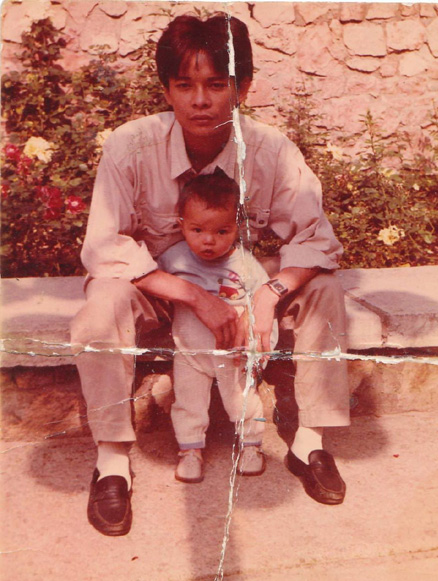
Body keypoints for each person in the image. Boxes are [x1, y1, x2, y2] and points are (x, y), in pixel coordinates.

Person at [71, 12, 349, 538]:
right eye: (185, 85)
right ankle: (112, 462)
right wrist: (193, 297)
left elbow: (316, 238)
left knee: (324, 288)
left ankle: (309, 441)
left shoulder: (270, 151)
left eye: (217, 85)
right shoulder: (129, 146)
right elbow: (104, 245)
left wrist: (268, 294)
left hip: (237, 280)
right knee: (100, 305)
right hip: (157, 285)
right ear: (166, 90)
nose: (200, 101)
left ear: (243, 88)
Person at [158, 173, 278, 483]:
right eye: (197, 230)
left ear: (237, 228)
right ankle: (190, 450)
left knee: (242, 398)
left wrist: (258, 349)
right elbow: (154, 289)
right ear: (181, 224)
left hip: (233, 353)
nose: (208, 240)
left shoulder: (245, 265)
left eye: (221, 231)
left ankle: (251, 445)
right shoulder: (173, 260)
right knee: (188, 401)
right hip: (190, 352)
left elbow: (262, 310)